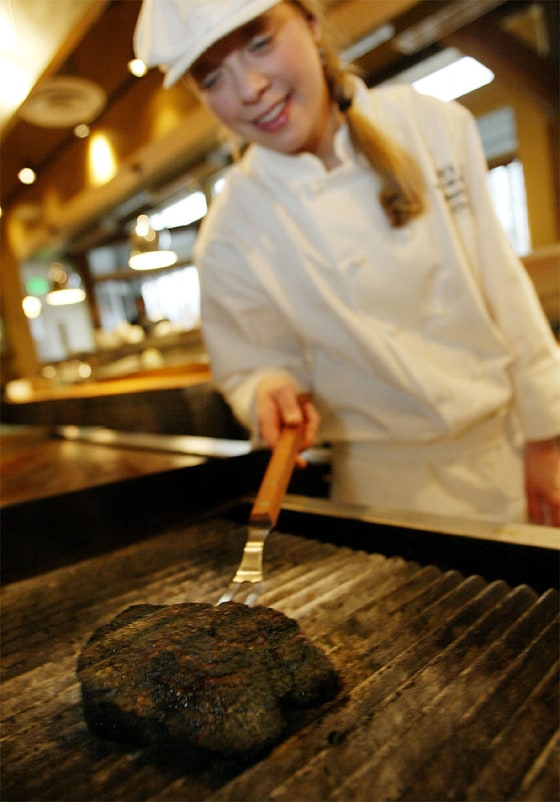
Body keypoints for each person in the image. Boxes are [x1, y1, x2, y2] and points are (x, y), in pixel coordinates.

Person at [134, 0, 560, 526]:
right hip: (383, 489)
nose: (249, 89)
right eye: (213, 77)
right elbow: (251, 364)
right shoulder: (229, 233)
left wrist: (547, 438)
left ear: (311, 22)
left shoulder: (432, 126)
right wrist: (268, 389)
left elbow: (504, 286)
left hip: (512, 449)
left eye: (260, 42)